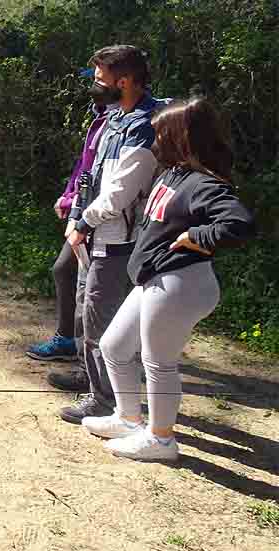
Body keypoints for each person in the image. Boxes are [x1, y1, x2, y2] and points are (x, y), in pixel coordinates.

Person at [80, 98, 254, 461]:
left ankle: (161, 440)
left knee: (158, 362)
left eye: (161, 134)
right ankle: (128, 419)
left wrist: (196, 238)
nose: (155, 141)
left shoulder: (204, 183)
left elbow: (238, 224)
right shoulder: (172, 174)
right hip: (153, 281)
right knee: (114, 346)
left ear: (182, 137)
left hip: (179, 284)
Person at [59, 45, 164, 425]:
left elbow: (119, 192)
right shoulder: (114, 118)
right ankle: (94, 382)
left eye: (100, 79)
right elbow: (91, 175)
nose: (94, 85)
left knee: (101, 319)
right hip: (93, 234)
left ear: (124, 81)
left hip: (117, 240)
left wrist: (84, 222)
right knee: (85, 312)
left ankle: (107, 400)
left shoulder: (143, 126)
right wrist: (76, 214)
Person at [27, 100, 110, 393]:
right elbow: (85, 165)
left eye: (100, 78)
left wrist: (83, 214)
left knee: (96, 296)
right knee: (65, 272)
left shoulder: (128, 121)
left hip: (107, 221)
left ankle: (99, 368)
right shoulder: (99, 117)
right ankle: (69, 343)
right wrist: (71, 196)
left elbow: (114, 182)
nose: (94, 87)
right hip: (85, 214)